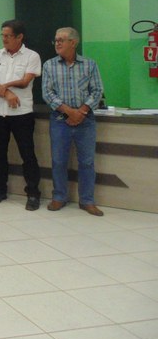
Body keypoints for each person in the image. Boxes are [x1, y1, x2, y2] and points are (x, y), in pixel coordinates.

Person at [42, 27, 105, 216]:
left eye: (61, 40)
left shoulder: (89, 64)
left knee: (86, 162)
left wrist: (82, 111)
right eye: (55, 40)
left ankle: (87, 201)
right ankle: (59, 197)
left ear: (73, 42)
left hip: (85, 120)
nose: (57, 43)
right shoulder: (49, 65)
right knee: (58, 160)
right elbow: (47, 93)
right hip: (60, 119)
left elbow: (97, 91)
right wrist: (69, 112)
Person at [0, 19, 42, 210]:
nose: (4, 39)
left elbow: (25, 82)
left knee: (27, 154)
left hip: (21, 113)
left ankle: (33, 193)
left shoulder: (31, 56)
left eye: (8, 36)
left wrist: (4, 86)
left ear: (19, 37)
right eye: (2, 35)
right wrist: (6, 92)